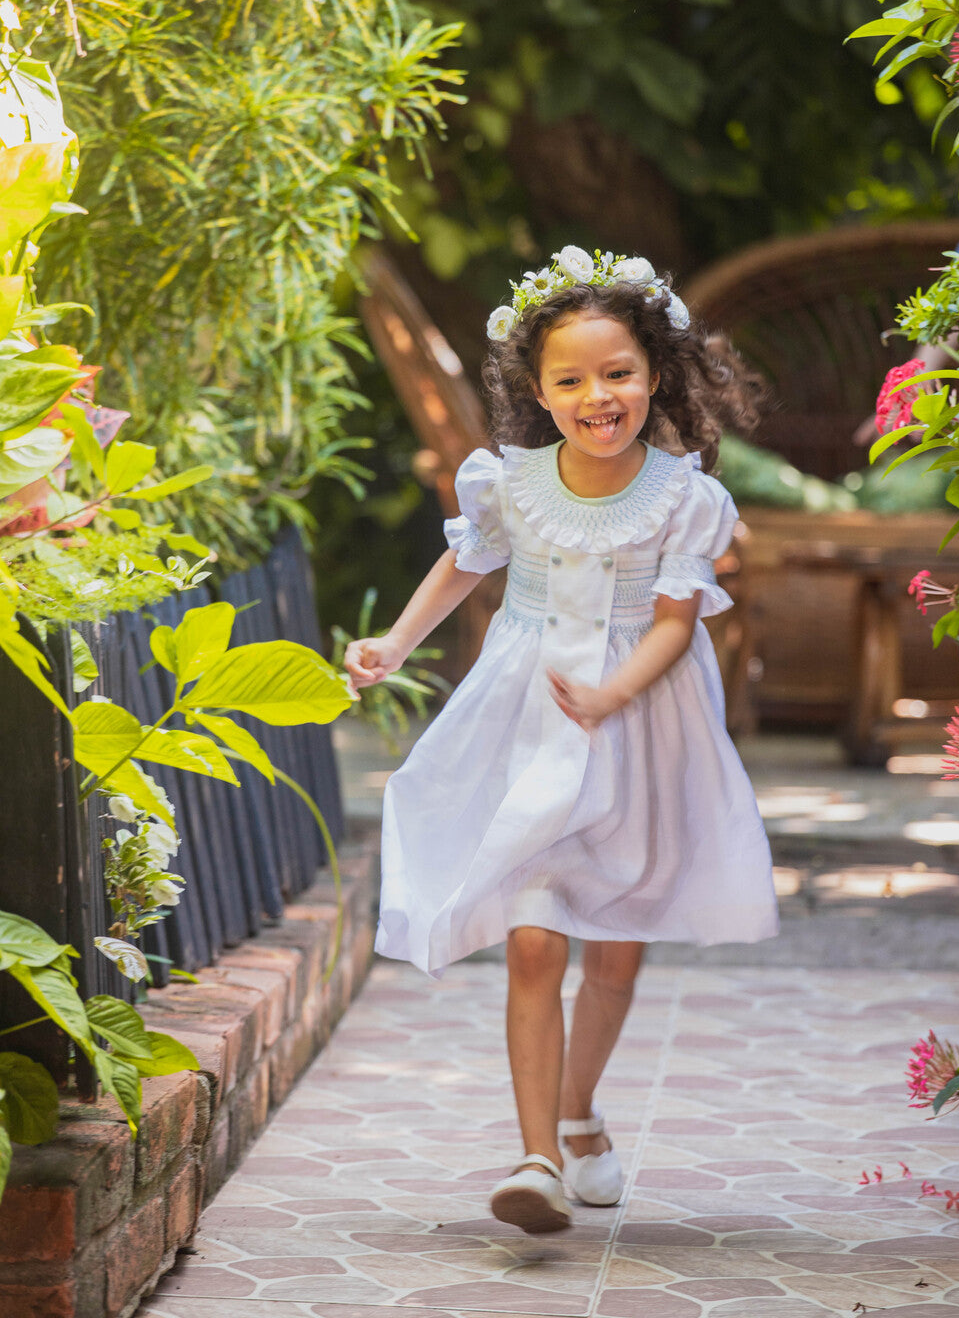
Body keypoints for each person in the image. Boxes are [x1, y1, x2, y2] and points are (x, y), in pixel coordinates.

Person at [345, 246, 779, 1236]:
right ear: (537, 392)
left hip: (638, 728)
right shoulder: (507, 481)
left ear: (654, 375)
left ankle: (580, 1111)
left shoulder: (684, 495)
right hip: (530, 719)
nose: (598, 396)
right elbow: (465, 565)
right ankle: (536, 1155)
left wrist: (611, 693)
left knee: (613, 956)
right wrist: (393, 641)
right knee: (535, 940)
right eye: (571, 379)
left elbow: (675, 621)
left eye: (617, 373)